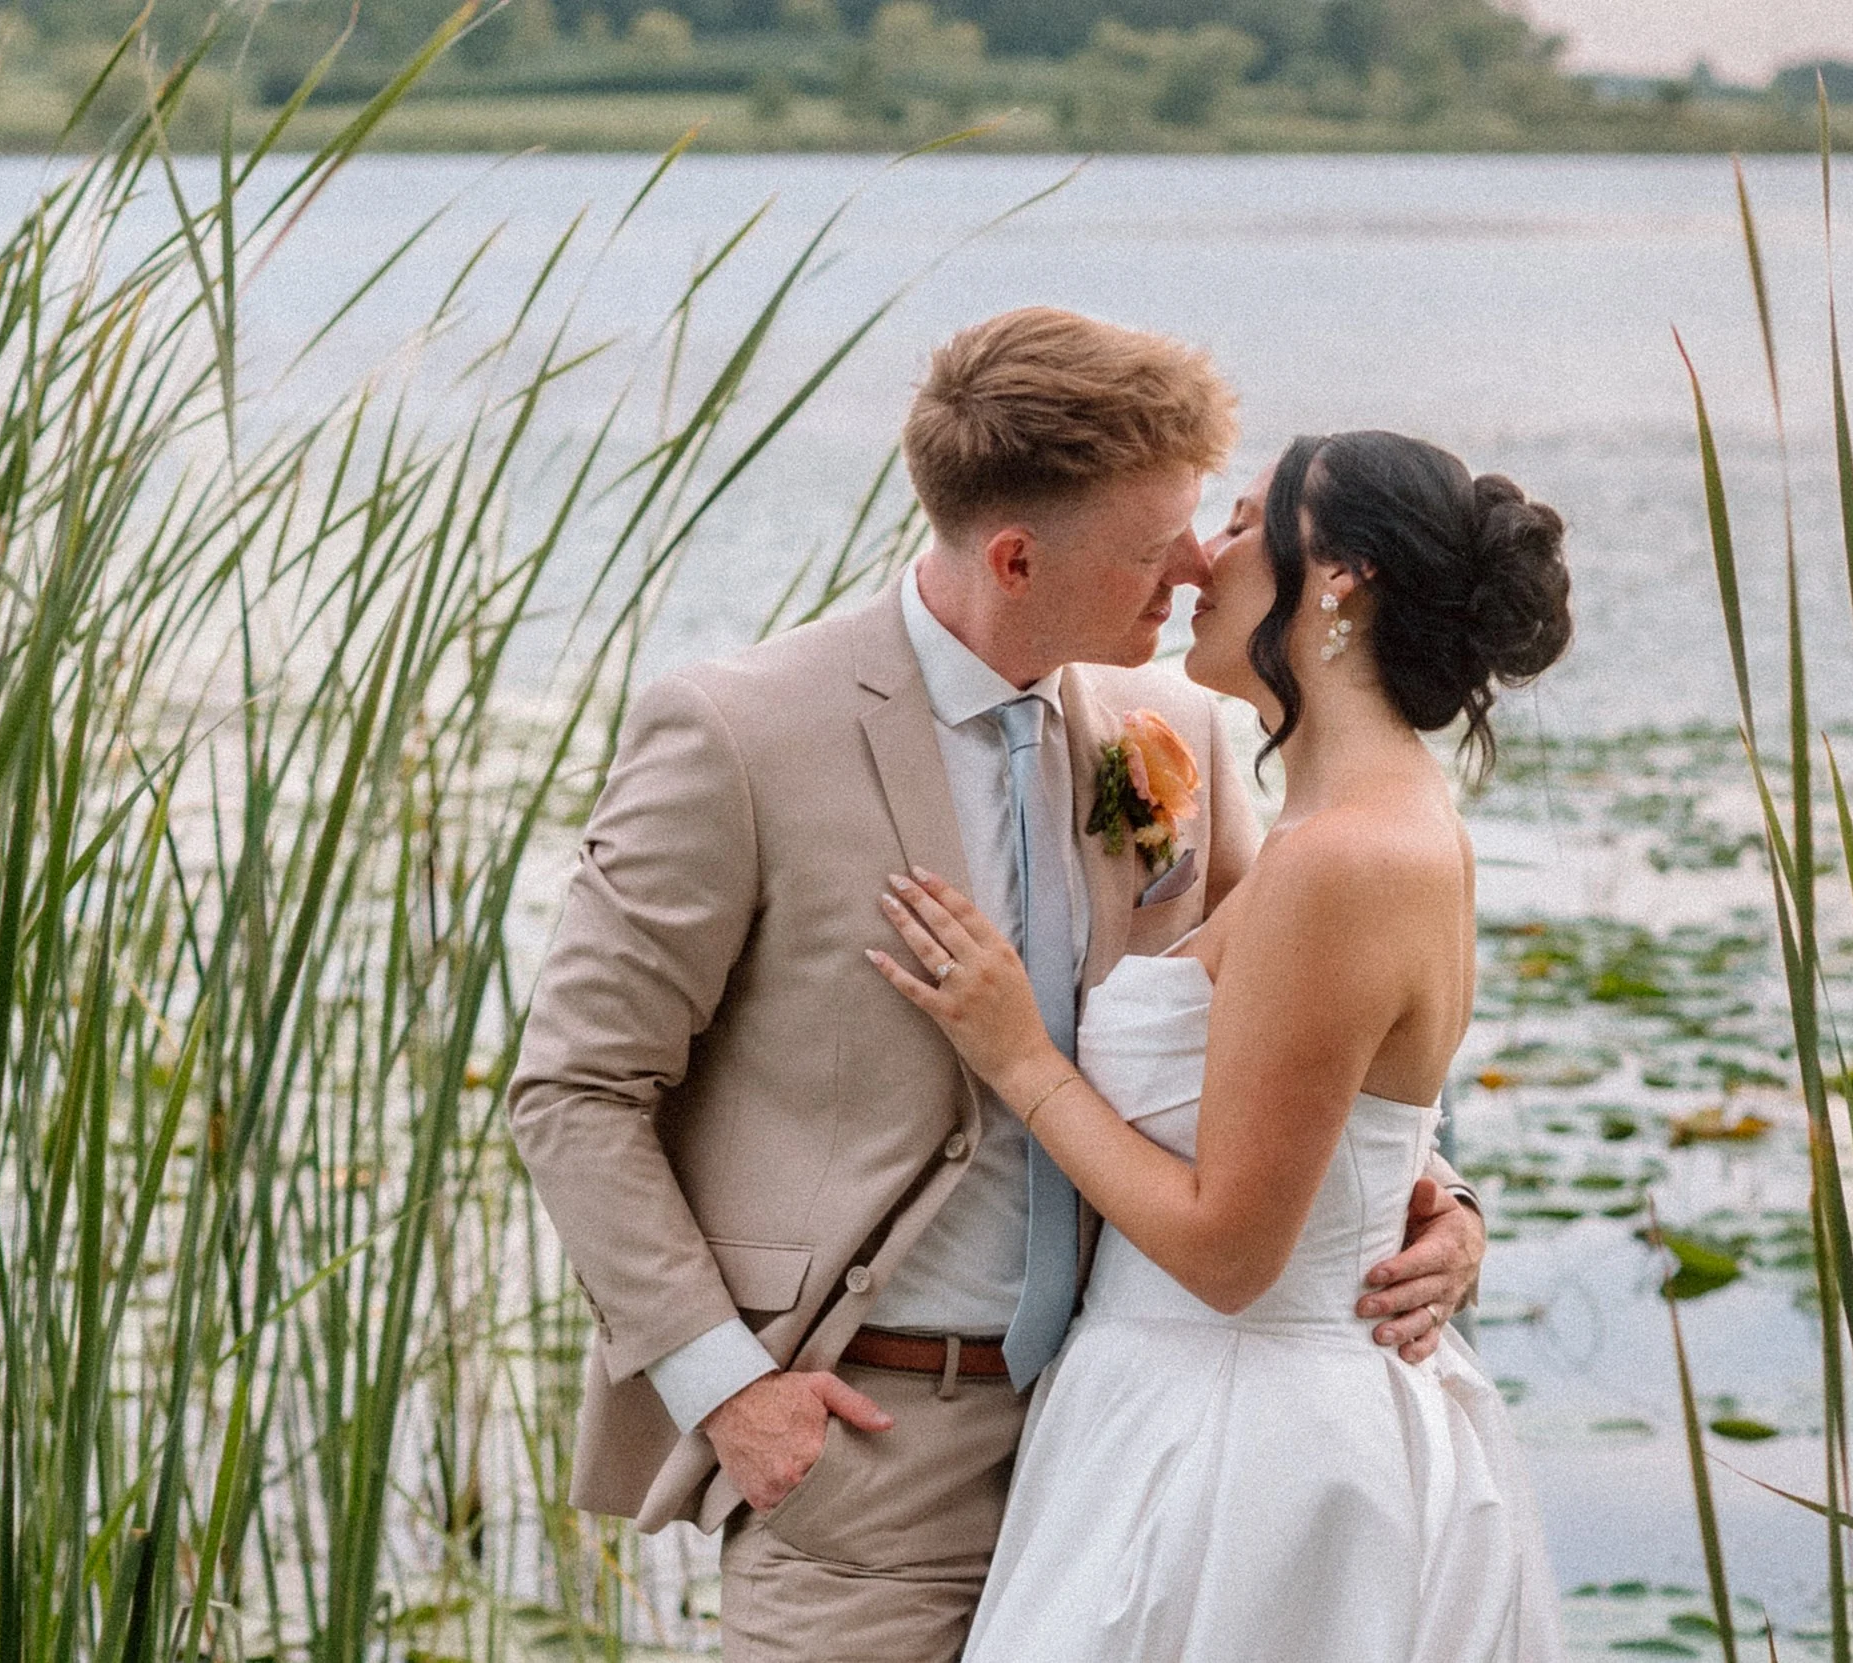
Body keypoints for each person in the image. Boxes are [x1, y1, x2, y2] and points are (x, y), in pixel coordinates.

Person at [507, 313, 1490, 1661]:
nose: (1198, 566)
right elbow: (575, 1087)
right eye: (1156, 549)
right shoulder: (738, 733)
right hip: (868, 1462)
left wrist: (1444, 1209)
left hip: (1142, 1445)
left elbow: (1304, 1042)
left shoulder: (1181, 725)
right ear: (1018, 556)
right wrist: (722, 1382)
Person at [870, 430, 1571, 1662]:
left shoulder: (1342, 859)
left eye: (1246, 523)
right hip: (1227, 1399)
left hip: (1241, 1445)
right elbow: (1353, 1127)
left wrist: (1020, 1053)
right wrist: (1445, 1199)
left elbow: (1229, 1250)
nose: (1203, 555)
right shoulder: (1379, 818)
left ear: (1338, 577)